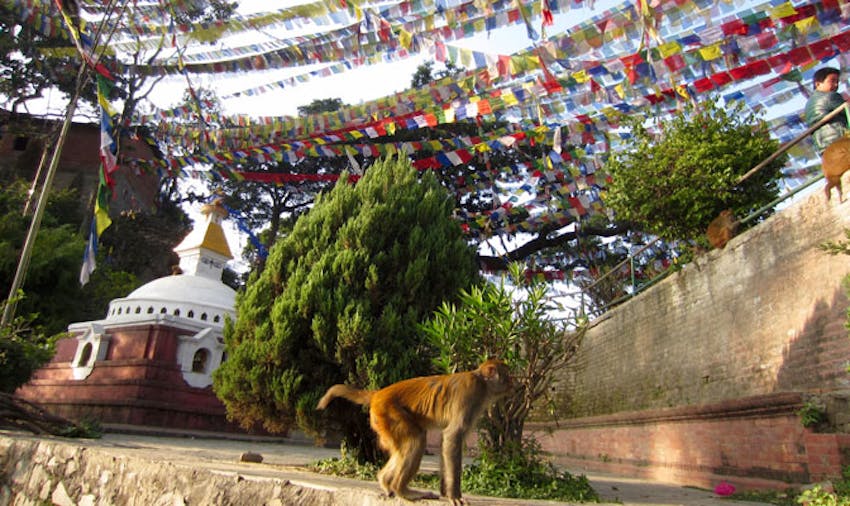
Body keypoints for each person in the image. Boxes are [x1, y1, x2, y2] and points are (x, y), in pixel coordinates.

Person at [804, 66, 848, 153]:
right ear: (818, 84)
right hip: (840, 141)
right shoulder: (830, 96)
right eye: (832, 81)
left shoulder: (809, 103)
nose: (836, 85)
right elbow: (848, 111)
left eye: (837, 82)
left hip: (824, 148)